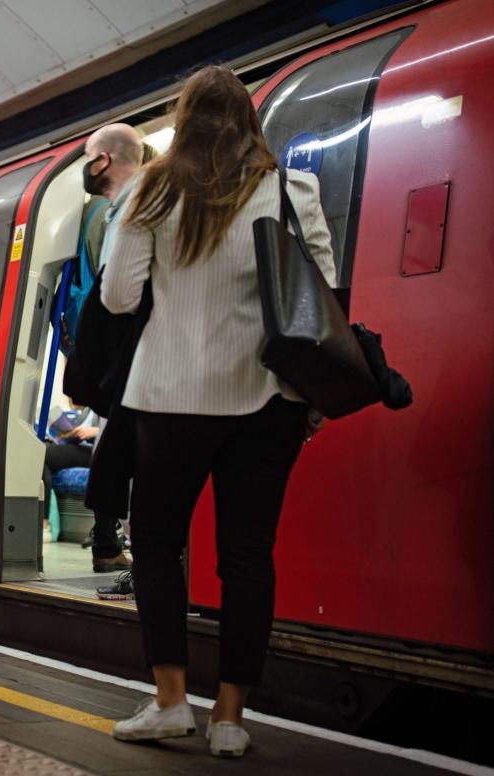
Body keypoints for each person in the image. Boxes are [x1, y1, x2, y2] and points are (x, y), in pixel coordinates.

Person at [102, 66, 333, 757]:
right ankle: (231, 719)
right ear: (249, 123)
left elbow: (117, 295)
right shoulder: (292, 190)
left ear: (187, 119)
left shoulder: (153, 187)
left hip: (172, 396)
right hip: (269, 399)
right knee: (248, 556)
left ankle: (171, 701)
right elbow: (318, 295)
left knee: (158, 545)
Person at [62, 122, 147, 572]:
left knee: (129, 461)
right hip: (123, 360)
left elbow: (118, 295)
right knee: (120, 458)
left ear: (104, 160)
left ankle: (123, 553)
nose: (86, 168)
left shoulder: (136, 207)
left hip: (134, 359)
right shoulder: (111, 212)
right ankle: (114, 549)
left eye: (88, 158)